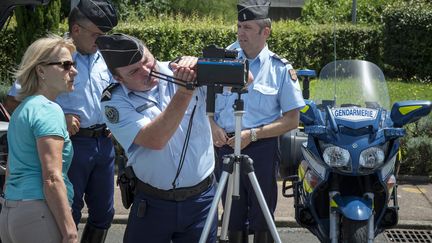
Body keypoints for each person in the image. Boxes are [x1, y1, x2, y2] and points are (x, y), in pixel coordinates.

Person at [95, 33, 217, 243]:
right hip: (153, 204)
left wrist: (206, 65)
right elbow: (155, 139)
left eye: (146, 60)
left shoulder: (181, 70)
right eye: (134, 71)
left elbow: (246, 79)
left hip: (201, 202)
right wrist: (184, 93)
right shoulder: (113, 101)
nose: (147, 71)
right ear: (118, 78)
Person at [210, 0, 305, 242]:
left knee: (263, 216)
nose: (241, 33)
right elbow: (202, 103)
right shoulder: (222, 60)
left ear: (266, 31)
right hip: (225, 145)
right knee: (231, 216)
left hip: (261, 148)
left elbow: (292, 120)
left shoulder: (279, 69)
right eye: (239, 26)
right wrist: (212, 126)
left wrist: (253, 135)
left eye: (248, 28)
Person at [0, 35, 78, 243]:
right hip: (39, 214)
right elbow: (52, 177)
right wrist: (70, 231)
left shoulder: (22, 110)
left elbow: (10, 170)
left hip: (11, 215)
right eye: (65, 65)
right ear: (41, 70)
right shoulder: (49, 110)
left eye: (73, 64)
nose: (74, 70)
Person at [55, 1, 118, 242]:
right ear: (76, 30)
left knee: (104, 213)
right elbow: (19, 101)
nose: (101, 40)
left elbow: (118, 92)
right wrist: (59, 118)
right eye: (96, 35)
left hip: (103, 143)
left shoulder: (105, 56)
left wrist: (117, 121)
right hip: (71, 144)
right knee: (67, 212)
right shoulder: (54, 54)